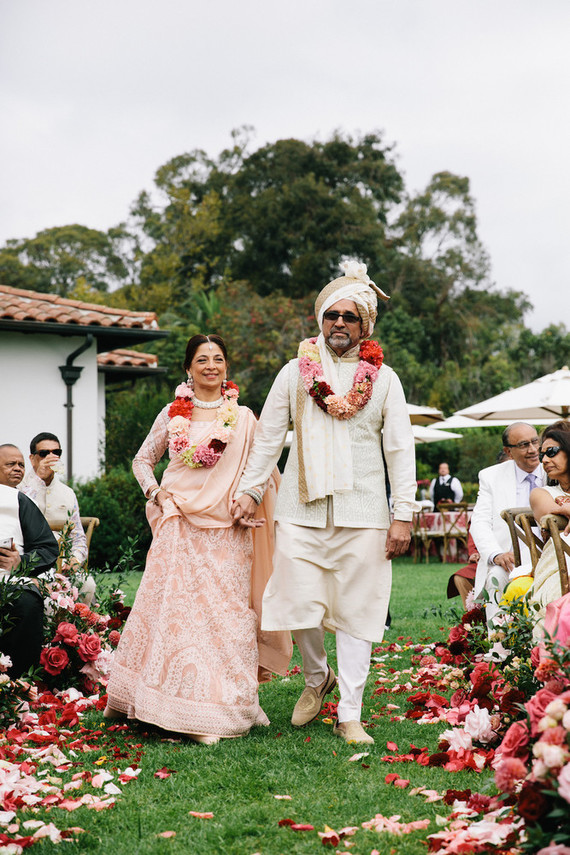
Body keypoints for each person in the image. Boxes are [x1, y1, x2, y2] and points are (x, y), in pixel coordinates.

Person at [232, 260, 419, 745]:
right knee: (296, 602)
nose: (339, 323)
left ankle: (350, 712)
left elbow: (401, 450)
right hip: (301, 509)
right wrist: (252, 491)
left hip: (365, 514)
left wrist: (403, 515)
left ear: (365, 326)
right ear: (320, 320)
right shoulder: (295, 372)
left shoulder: (385, 381)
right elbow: (269, 438)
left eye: (350, 317)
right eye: (331, 315)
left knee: (359, 610)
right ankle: (319, 678)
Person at [105, 334, 291, 743]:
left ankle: (230, 703)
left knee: (229, 616)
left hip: (229, 528)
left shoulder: (243, 418)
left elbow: (263, 468)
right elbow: (141, 461)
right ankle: (165, 704)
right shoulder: (172, 414)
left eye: (218, 359)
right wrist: (156, 493)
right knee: (175, 615)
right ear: (188, 368)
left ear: (227, 367)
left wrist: (251, 500)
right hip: (178, 524)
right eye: (202, 359)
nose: (211, 365)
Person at [471, 422, 545, 628]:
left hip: (552, 556)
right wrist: (496, 554)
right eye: (523, 445)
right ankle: (499, 649)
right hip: (511, 559)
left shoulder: (554, 468)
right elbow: (479, 522)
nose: (532, 450)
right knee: (495, 578)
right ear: (508, 451)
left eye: (534, 442)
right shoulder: (490, 476)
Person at [0, 444, 59, 678]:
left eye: (21, 465)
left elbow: (47, 547)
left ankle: (18, 683)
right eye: (10, 464)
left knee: (26, 602)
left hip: (10, 579)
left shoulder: (20, 501)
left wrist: (21, 562)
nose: (17, 468)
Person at [526, 421, 570, 623]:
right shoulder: (542, 493)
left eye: (551, 451)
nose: (544, 460)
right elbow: (551, 518)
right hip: (562, 562)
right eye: (542, 455)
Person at [447, 527, 479, 608]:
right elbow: (474, 534)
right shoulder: (479, 515)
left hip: (506, 558)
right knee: (460, 578)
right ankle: (472, 614)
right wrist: (474, 553)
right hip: (481, 561)